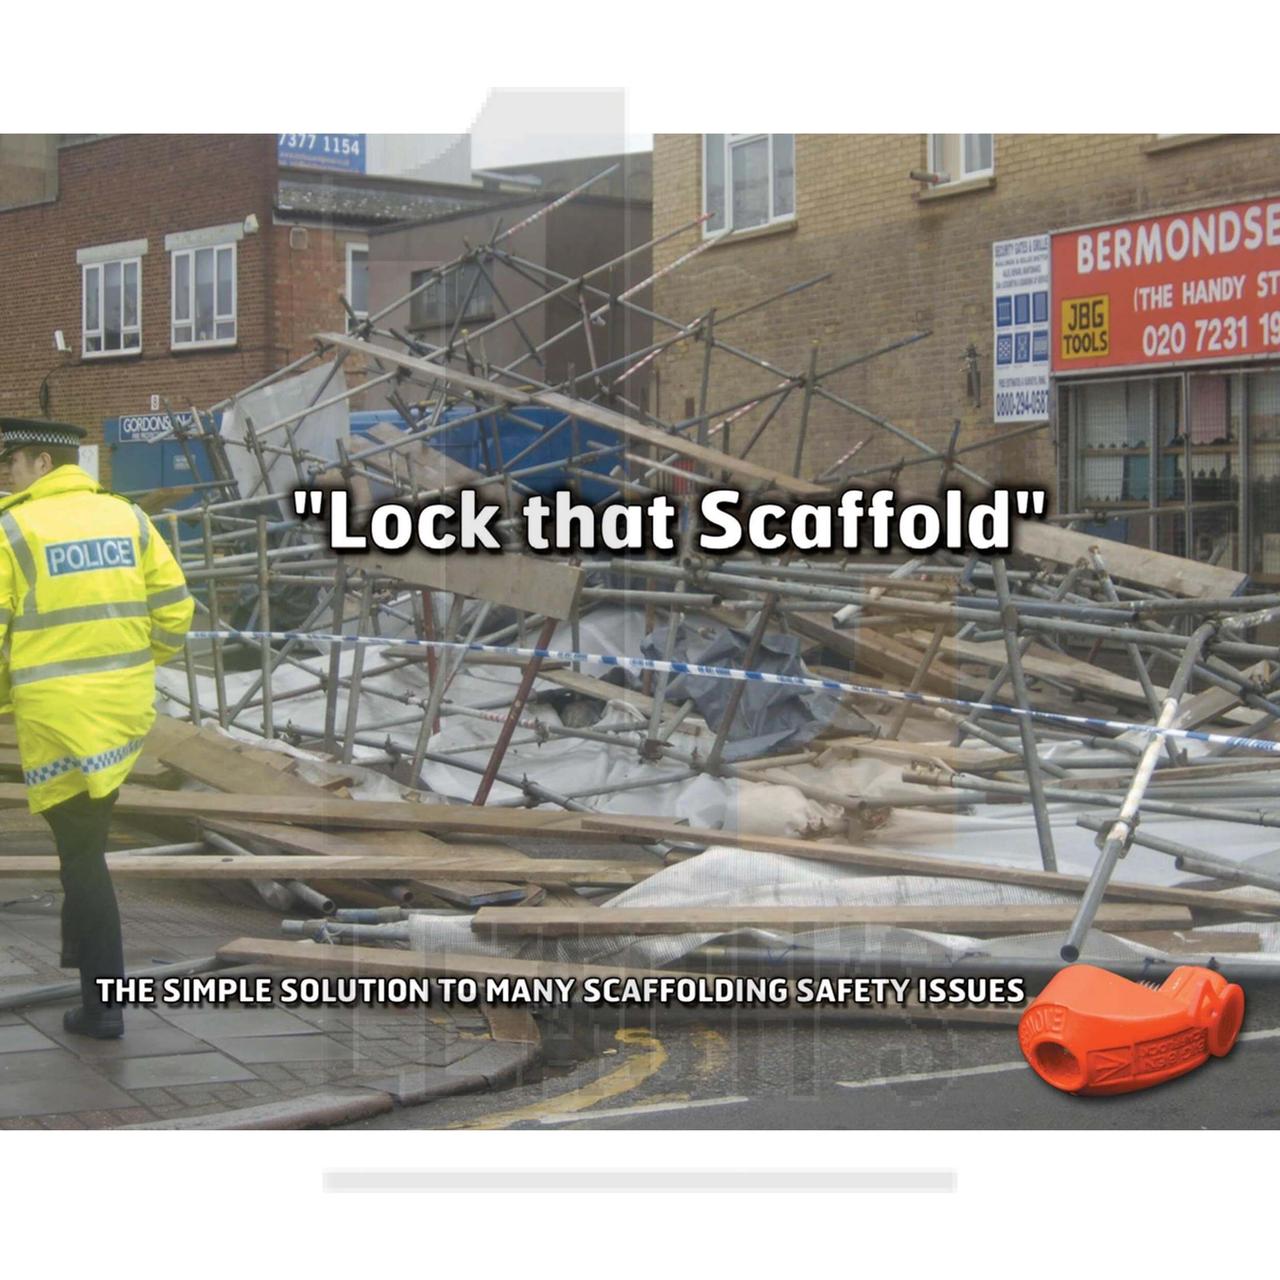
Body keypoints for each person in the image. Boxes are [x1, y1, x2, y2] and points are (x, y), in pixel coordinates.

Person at [0, 418, 194, 1039]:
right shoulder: (128, 518)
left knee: (83, 858)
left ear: (40, 462)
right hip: (121, 713)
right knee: (83, 846)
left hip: (57, 718)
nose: (6, 473)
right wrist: (139, 662)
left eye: (13, 463)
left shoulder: (13, 529)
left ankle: (103, 1005)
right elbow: (175, 610)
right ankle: (80, 965)